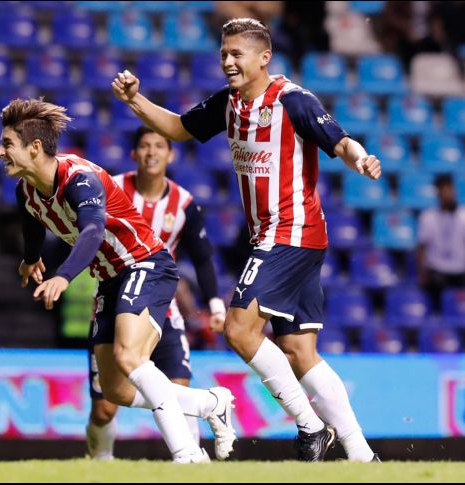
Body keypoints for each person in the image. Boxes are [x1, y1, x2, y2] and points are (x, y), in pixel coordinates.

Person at [111, 18, 381, 463]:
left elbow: (341, 142)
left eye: (237, 54)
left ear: (263, 57)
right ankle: (361, 455)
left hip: (290, 231)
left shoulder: (294, 101)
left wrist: (362, 159)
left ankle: (312, 427)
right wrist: (134, 100)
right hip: (290, 236)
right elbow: (178, 128)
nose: (228, 62)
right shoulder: (229, 102)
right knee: (298, 351)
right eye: (224, 54)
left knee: (238, 329)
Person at [0, 98, 235, 464]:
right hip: (109, 279)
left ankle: (188, 454)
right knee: (116, 391)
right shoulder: (25, 190)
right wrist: (31, 259)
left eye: (7, 144)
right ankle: (210, 403)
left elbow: (93, 230)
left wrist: (63, 276)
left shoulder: (80, 179)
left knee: (129, 356)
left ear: (35, 147)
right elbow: (32, 222)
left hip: (145, 264)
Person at [85, 125, 232, 461]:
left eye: (159, 146)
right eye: (144, 146)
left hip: (163, 312)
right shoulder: (111, 189)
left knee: (178, 388)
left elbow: (203, 256)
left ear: (171, 154)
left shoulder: (184, 203)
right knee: (106, 407)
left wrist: (214, 305)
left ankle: (193, 460)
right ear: (134, 153)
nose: (151, 152)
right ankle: (102, 461)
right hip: (113, 304)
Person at [417, 174, 465, 311]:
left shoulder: (463, 215)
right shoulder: (428, 216)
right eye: (444, 190)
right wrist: (422, 272)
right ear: (438, 193)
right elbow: (421, 246)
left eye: (449, 190)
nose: (447, 194)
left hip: (461, 269)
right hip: (437, 270)